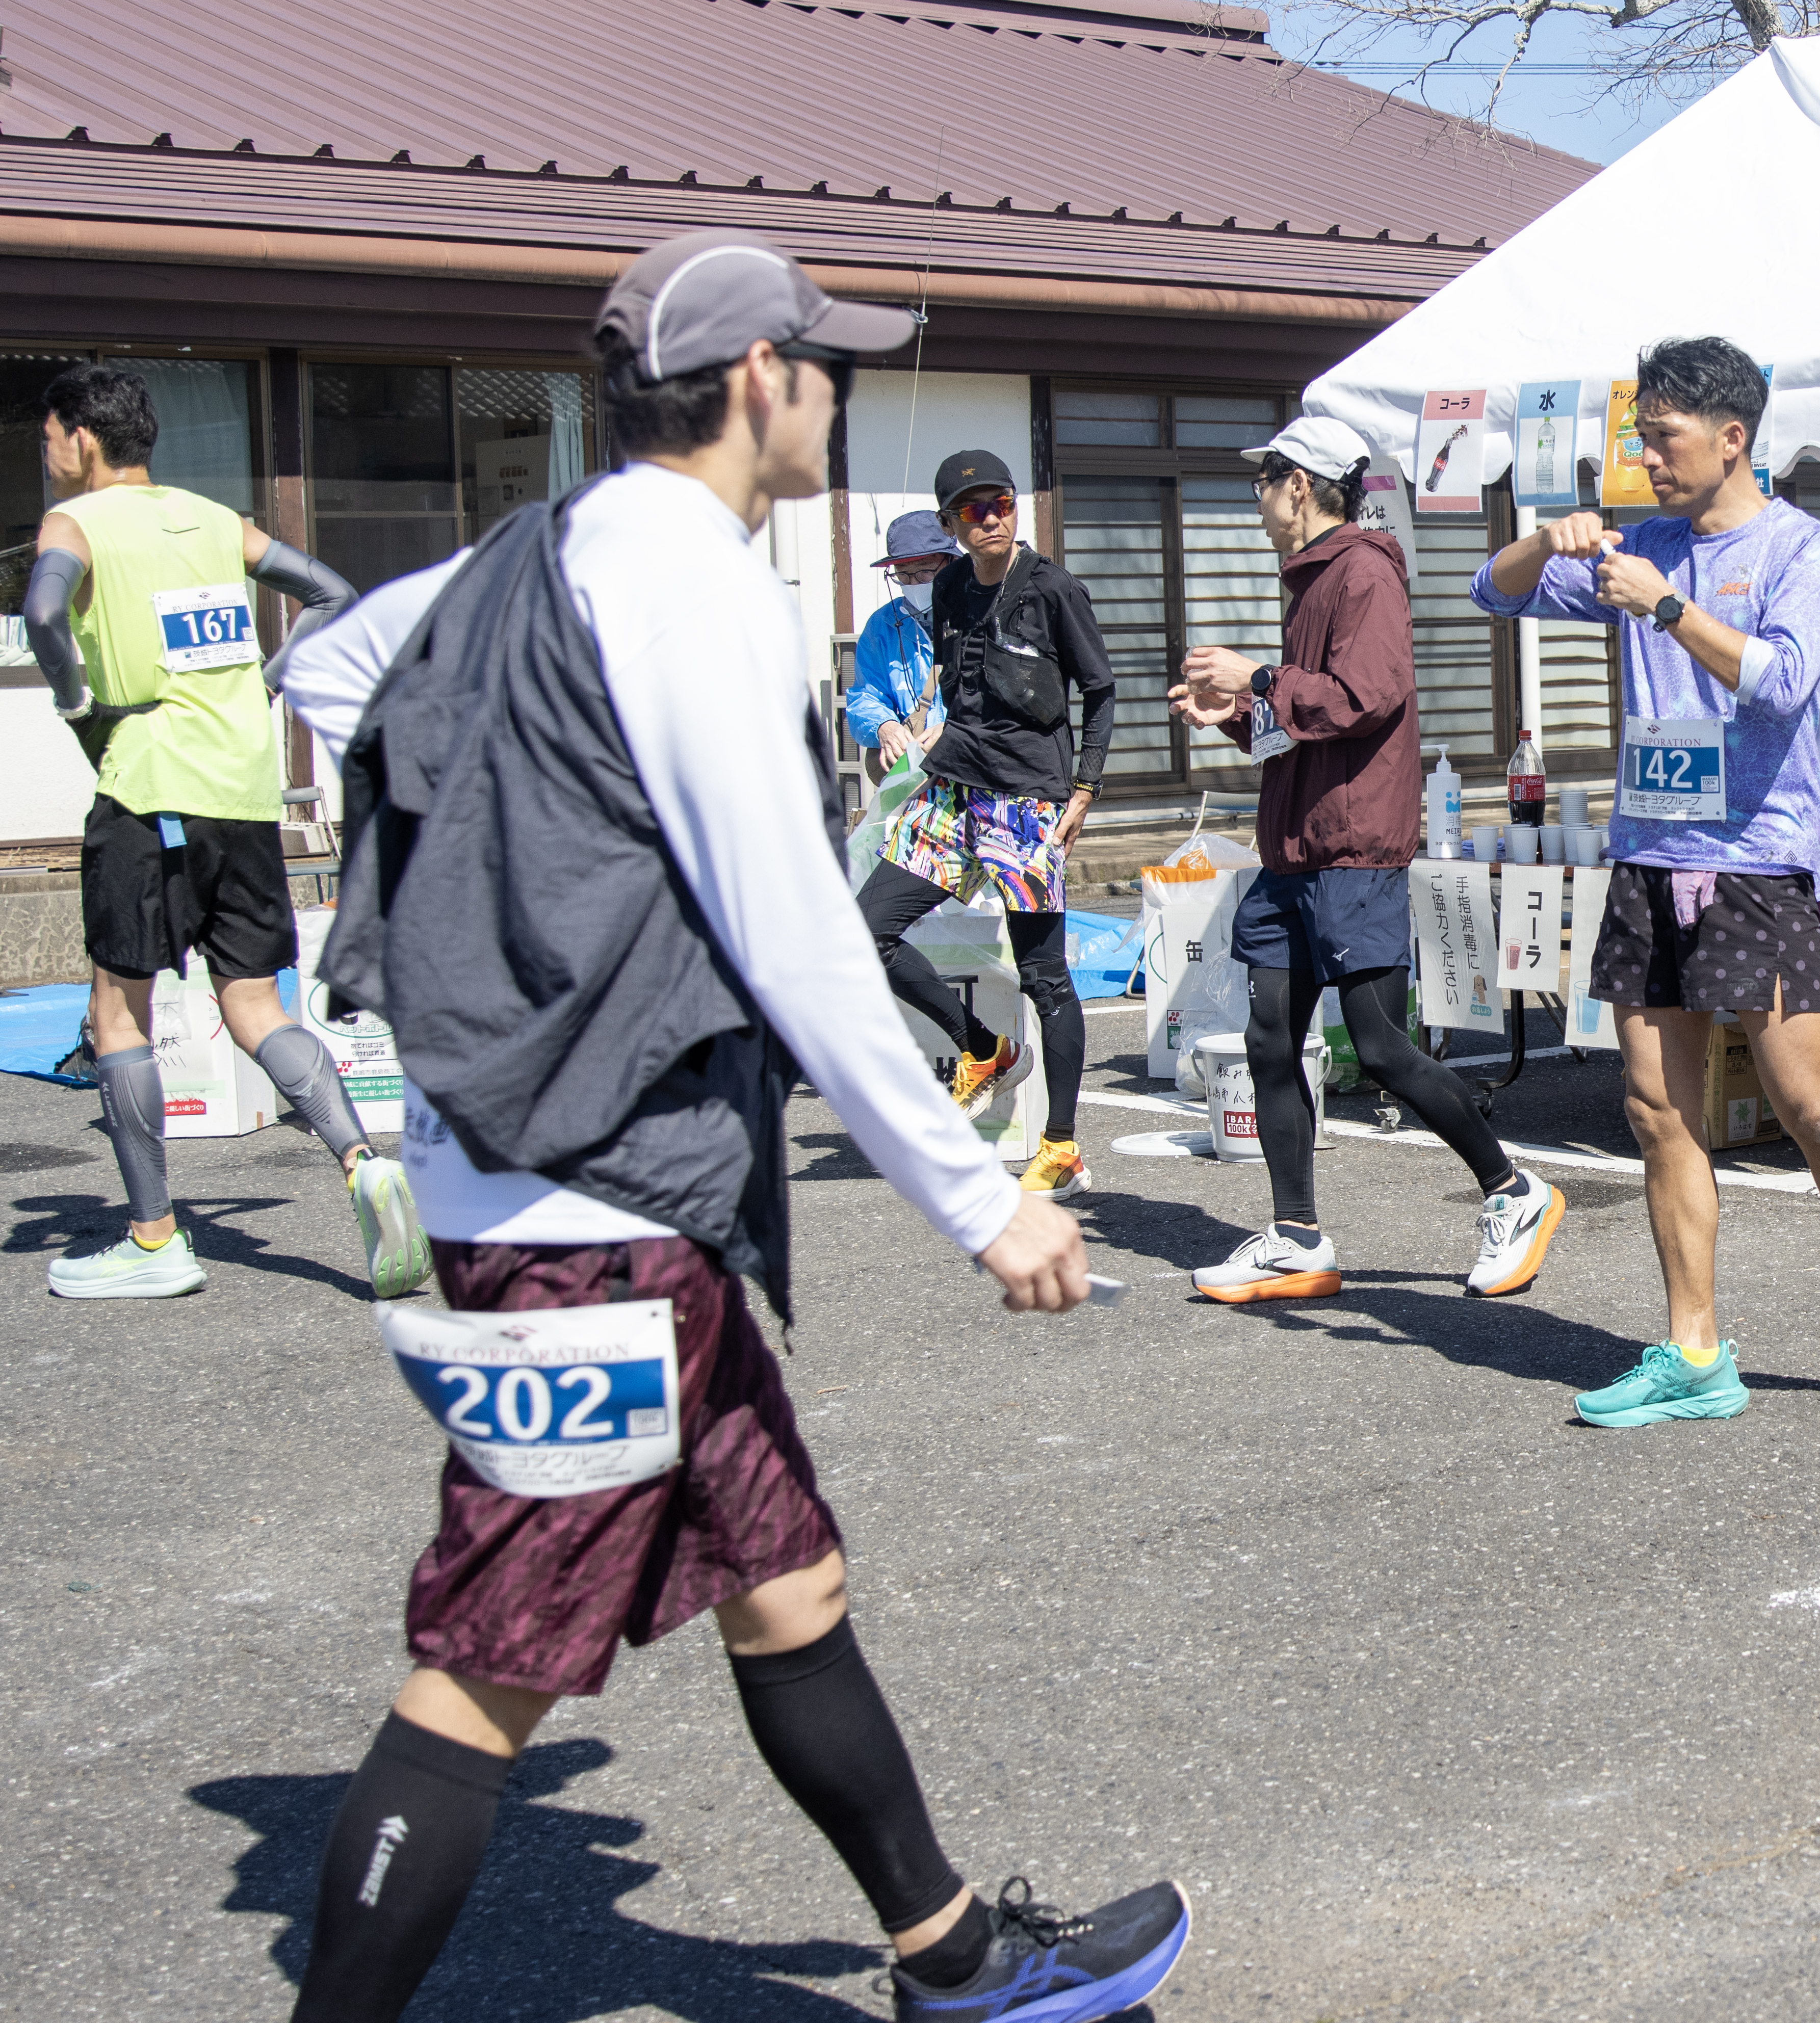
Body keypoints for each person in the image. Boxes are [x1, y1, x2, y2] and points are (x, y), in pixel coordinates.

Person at [275, 229, 1187, 2023]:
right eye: (822, 361)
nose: (839, 394)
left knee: (786, 1574)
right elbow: (795, 931)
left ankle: (953, 1957)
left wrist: (514, 878)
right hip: (591, 1211)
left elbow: (325, 678)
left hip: (581, 1189)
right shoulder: (692, 587)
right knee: (484, 1670)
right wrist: (983, 1200)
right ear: (758, 380)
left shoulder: (532, 555)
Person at [1472, 337, 1820, 1426]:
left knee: (1813, 1108)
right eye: (1641, 436)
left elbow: (1785, 681)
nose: (1647, 457)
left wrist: (1661, 608)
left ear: (1733, 436)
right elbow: (1492, 592)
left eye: (1665, 436)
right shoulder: (1637, 541)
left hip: (1756, 864)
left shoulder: (1801, 548)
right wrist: (1537, 540)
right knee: (1656, 1107)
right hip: (1650, 857)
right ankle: (1694, 1348)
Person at [17, 361, 427, 1303]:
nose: (47, 460)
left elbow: (43, 608)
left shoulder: (75, 523)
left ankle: (156, 1240)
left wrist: (80, 700)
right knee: (255, 1007)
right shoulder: (211, 519)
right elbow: (331, 590)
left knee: (116, 1013)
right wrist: (265, 685)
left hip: (149, 788)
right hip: (244, 798)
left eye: (48, 442)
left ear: (82, 439)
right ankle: (364, 1161)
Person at [1165, 415, 1567, 1302]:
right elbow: (1307, 722)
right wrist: (1231, 712)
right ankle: (1297, 1235)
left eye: (1262, 483)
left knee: (1382, 1046)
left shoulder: (1363, 572)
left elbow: (1367, 696)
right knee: (1272, 1037)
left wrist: (1258, 678)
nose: (1258, 502)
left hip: (1353, 848)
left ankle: (1514, 1190)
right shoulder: (1311, 579)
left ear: (1298, 485)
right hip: (1297, 847)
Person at [855, 449, 1116, 1200]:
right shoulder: (947, 590)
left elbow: (1099, 690)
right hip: (952, 791)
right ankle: (983, 1049)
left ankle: (1060, 1145)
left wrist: (1085, 788)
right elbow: (962, 693)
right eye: (974, 509)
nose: (993, 516)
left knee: (1046, 978)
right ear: (952, 525)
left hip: (1027, 802)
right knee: (865, 931)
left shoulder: (1055, 589)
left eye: (1001, 501)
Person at [847, 506, 959, 775]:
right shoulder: (882, 625)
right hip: (915, 769)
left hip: (973, 761)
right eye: (902, 575)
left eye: (924, 573)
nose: (913, 583)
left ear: (953, 563)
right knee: (876, 761)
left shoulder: (981, 613)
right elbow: (865, 695)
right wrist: (884, 726)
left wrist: (957, 730)